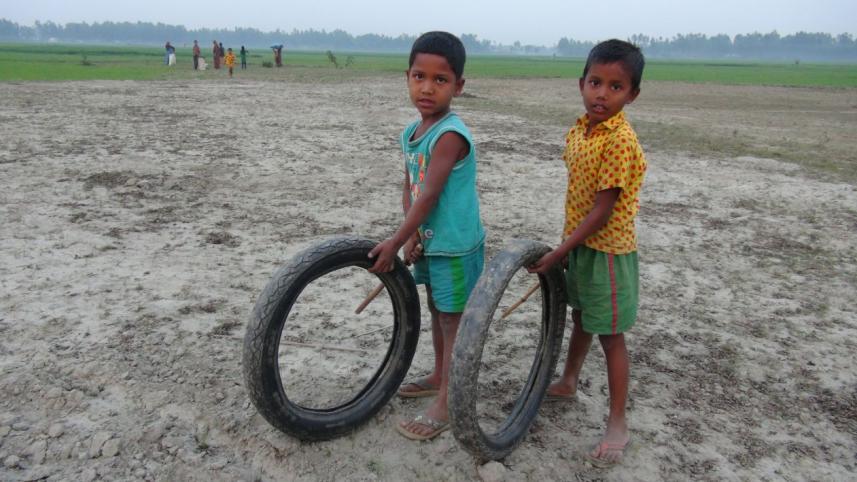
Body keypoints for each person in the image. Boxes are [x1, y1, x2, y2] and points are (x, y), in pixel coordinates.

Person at [528, 39, 646, 466]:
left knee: (611, 335)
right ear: (581, 84)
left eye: (616, 87)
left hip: (606, 252)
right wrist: (567, 247)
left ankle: (618, 423)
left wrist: (561, 250)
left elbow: (603, 209)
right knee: (581, 317)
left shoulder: (620, 140)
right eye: (596, 82)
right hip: (578, 244)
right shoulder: (581, 130)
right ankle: (569, 380)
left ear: (632, 95)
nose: (602, 93)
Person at [368, 31, 485, 441]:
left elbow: (432, 192)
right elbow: (411, 187)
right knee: (438, 309)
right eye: (419, 76)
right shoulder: (411, 133)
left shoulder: (450, 135)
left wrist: (397, 240)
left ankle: (450, 399)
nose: (427, 87)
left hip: (455, 245)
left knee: (453, 319)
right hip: (432, 241)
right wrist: (414, 232)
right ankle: (439, 374)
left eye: (440, 79)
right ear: (407, 76)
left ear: (459, 86)